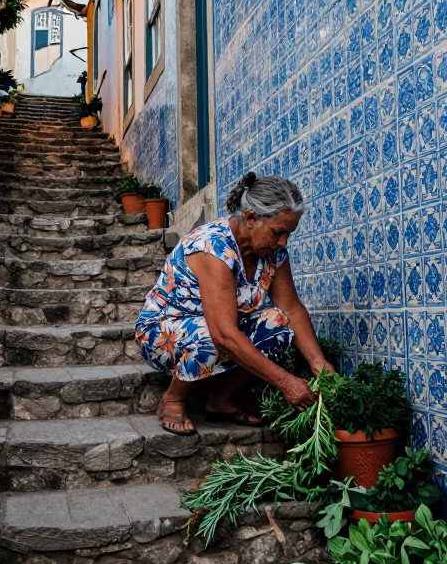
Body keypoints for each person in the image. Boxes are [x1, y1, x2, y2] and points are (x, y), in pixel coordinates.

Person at [135, 172, 332, 434]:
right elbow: (223, 335)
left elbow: (291, 309)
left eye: (288, 234)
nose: (283, 242)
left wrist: (321, 366)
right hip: (164, 333)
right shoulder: (213, 248)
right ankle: (174, 398)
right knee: (212, 337)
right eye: (278, 232)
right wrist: (286, 383)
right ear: (250, 218)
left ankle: (221, 399)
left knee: (279, 324)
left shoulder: (273, 254)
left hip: (219, 330)